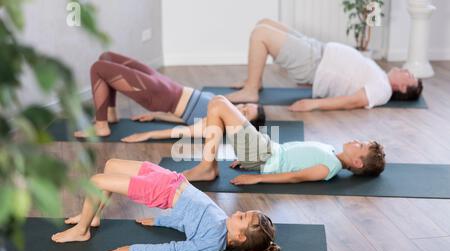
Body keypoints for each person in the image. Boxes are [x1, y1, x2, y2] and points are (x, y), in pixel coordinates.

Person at [52, 159, 280, 251]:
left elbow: (173, 248)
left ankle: (81, 231)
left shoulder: (211, 243)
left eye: (242, 217)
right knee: (111, 165)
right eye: (243, 213)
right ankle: (94, 218)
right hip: (172, 179)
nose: (238, 212)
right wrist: (159, 221)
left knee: (97, 181)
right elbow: (188, 218)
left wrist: (133, 250)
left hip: (162, 192)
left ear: (239, 237)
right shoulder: (223, 221)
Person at [226, 19, 423, 111]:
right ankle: (255, 81)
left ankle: (251, 90)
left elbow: (354, 101)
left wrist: (314, 104)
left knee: (261, 33)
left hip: (314, 64)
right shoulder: (381, 75)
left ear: (404, 88)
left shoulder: (383, 89)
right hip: (317, 49)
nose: (406, 70)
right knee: (265, 22)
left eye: (409, 75)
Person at [183, 96, 386, 185]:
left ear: (357, 162)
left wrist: (258, 178)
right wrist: (249, 162)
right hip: (263, 149)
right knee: (217, 104)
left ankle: (207, 167)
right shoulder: (330, 150)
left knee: (218, 104)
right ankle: (208, 166)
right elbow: (289, 154)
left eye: (360, 146)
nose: (356, 141)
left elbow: (295, 176)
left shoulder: (329, 167)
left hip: (263, 154)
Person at [75, 52, 266, 139]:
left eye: (246, 114)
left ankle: (102, 126)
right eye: (246, 106)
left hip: (159, 93)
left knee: (98, 69)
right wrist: (156, 116)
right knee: (106, 58)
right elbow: (186, 118)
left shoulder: (218, 125)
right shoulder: (224, 106)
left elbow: (185, 131)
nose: (241, 109)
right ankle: (110, 114)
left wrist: (148, 134)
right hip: (165, 84)